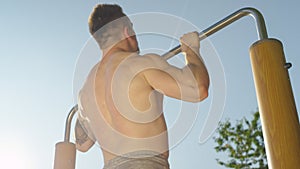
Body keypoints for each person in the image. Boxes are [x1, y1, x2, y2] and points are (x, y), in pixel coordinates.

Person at [75, 4, 209, 169]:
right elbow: (198, 89)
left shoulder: (85, 91)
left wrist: (87, 112)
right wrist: (191, 50)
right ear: (127, 31)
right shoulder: (139, 64)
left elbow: (83, 144)